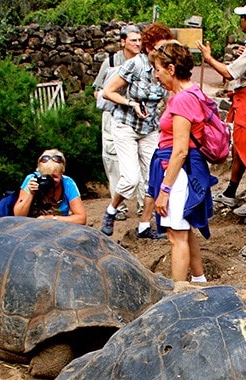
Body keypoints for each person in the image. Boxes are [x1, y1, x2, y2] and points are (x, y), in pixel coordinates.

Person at [197, 0, 246, 217]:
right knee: (241, 148)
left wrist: (208, 58)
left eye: (242, 17)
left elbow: (229, 73)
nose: (240, 20)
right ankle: (231, 191)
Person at [148, 42, 216, 283]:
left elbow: (180, 151)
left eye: (157, 69)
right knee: (185, 229)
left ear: (171, 69)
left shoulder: (181, 100)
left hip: (178, 173)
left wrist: (164, 190)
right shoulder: (191, 92)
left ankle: (178, 293)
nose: (155, 74)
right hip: (181, 170)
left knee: (175, 237)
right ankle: (198, 281)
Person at [99, 23, 174, 240]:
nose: (163, 51)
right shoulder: (136, 65)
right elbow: (108, 92)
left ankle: (144, 225)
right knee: (131, 179)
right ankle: (111, 210)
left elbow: (170, 96)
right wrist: (130, 103)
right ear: (150, 47)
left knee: (154, 178)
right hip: (125, 125)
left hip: (149, 128)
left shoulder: (165, 67)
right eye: (160, 47)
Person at [92, 25, 142, 221]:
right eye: (133, 40)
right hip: (113, 116)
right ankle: (118, 207)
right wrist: (108, 101)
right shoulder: (111, 62)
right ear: (123, 42)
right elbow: (97, 89)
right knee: (113, 160)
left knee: (142, 159)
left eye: (139, 40)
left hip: (137, 118)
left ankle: (142, 206)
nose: (138, 44)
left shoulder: (145, 62)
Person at [14, 149, 87, 225]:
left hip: (58, 227)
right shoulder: (32, 180)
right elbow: (18, 217)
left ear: (62, 173)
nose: (50, 180)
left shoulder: (68, 183)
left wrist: (51, 219)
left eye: (54, 177)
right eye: (47, 176)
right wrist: (30, 193)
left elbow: (81, 219)